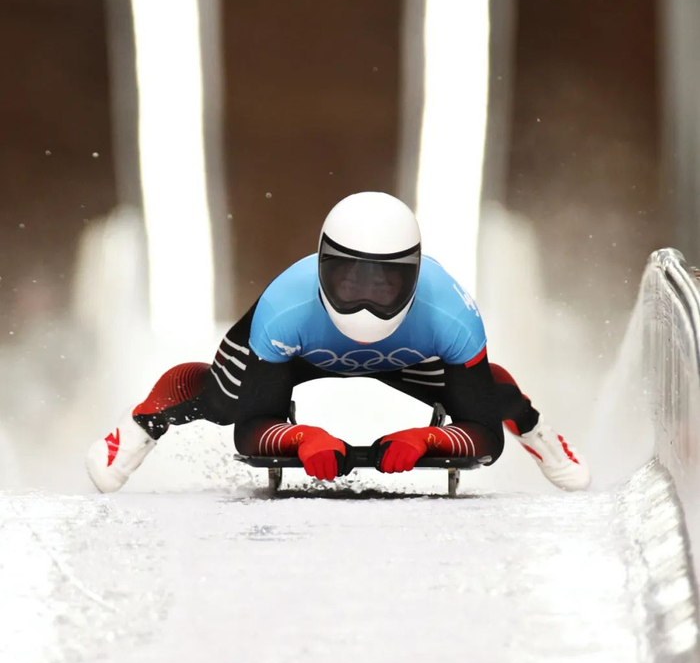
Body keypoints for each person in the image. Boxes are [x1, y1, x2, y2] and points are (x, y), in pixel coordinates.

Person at [86, 192, 590, 493]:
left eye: (384, 284)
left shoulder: (452, 314)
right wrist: (300, 438)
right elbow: (250, 428)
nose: (365, 303)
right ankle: (142, 423)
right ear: (324, 267)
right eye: (350, 281)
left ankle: (537, 431)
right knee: (223, 399)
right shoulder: (284, 308)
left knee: (482, 395)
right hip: (301, 350)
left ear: (412, 277)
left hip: (403, 353)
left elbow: (483, 434)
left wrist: (428, 439)